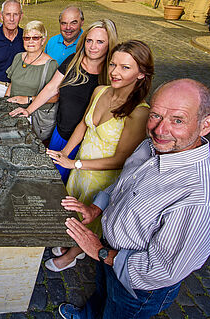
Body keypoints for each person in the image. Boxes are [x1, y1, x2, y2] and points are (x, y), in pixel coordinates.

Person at [57, 79, 210, 319]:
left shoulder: (202, 199)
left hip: (138, 286)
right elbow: (124, 184)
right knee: (101, 296)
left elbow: (160, 270)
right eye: (156, 116)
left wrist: (100, 252)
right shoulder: (151, 147)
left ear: (206, 125)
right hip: (110, 254)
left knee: (117, 311)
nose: (160, 130)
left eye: (178, 120)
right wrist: (96, 209)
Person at [44, 40, 153, 272]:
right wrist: (65, 153)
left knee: (92, 219)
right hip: (80, 169)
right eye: (113, 65)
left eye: (125, 67)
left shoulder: (139, 112)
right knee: (73, 207)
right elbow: (83, 126)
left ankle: (74, 254)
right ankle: (71, 242)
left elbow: (122, 159)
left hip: (103, 177)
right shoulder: (100, 90)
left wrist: (76, 162)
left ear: (141, 74)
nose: (114, 72)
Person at [10, 19, 118, 183]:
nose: (93, 46)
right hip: (60, 133)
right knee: (48, 175)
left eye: (100, 42)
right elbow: (51, 88)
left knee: (68, 182)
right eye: (89, 40)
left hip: (87, 141)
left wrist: (68, 151)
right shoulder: (73, 60)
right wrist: (29, 110)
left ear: (110, 44)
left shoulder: (112, 73)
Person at [5, 21, 58, 140]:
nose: (30, 41)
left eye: (35, 38)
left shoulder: (50, 65)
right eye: (27, 38)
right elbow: (12, 83)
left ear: (43, 40)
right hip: (13, 112)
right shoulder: (18, 57)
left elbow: (55, 97)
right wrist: (5, 101)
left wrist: (27, 99)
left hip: (34, 117)